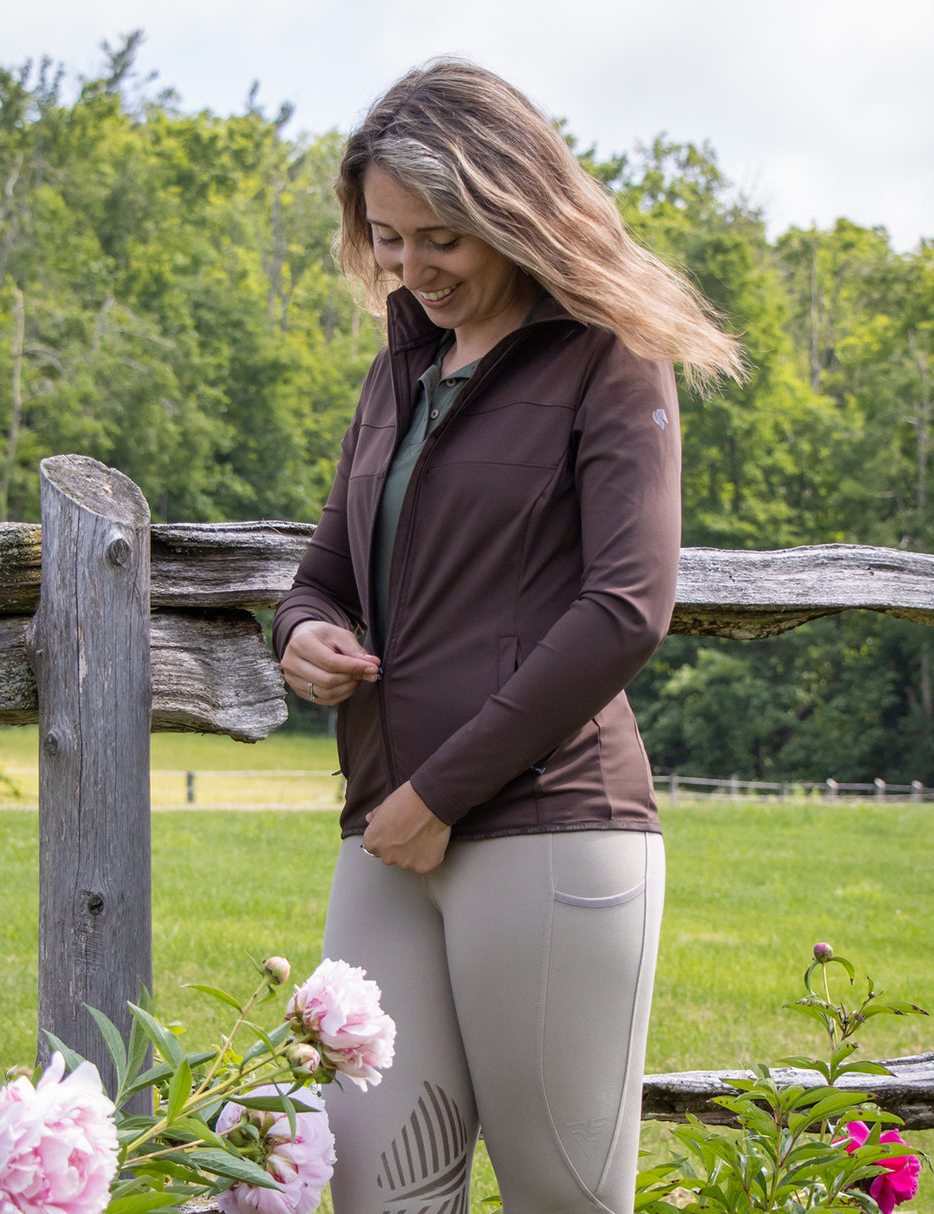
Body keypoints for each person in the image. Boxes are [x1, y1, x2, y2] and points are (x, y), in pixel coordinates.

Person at [273, 59, 742, 1214]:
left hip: (548, 834)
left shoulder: (606, 354)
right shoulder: (401, 369)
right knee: (378, 1197)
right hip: (381, 839)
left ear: (509, 213)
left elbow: (626, 606)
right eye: (385, 237)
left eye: (440, 238)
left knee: (562, 1199)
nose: (408, 267)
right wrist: (304, 633)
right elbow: (324, 572)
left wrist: (439, 791)